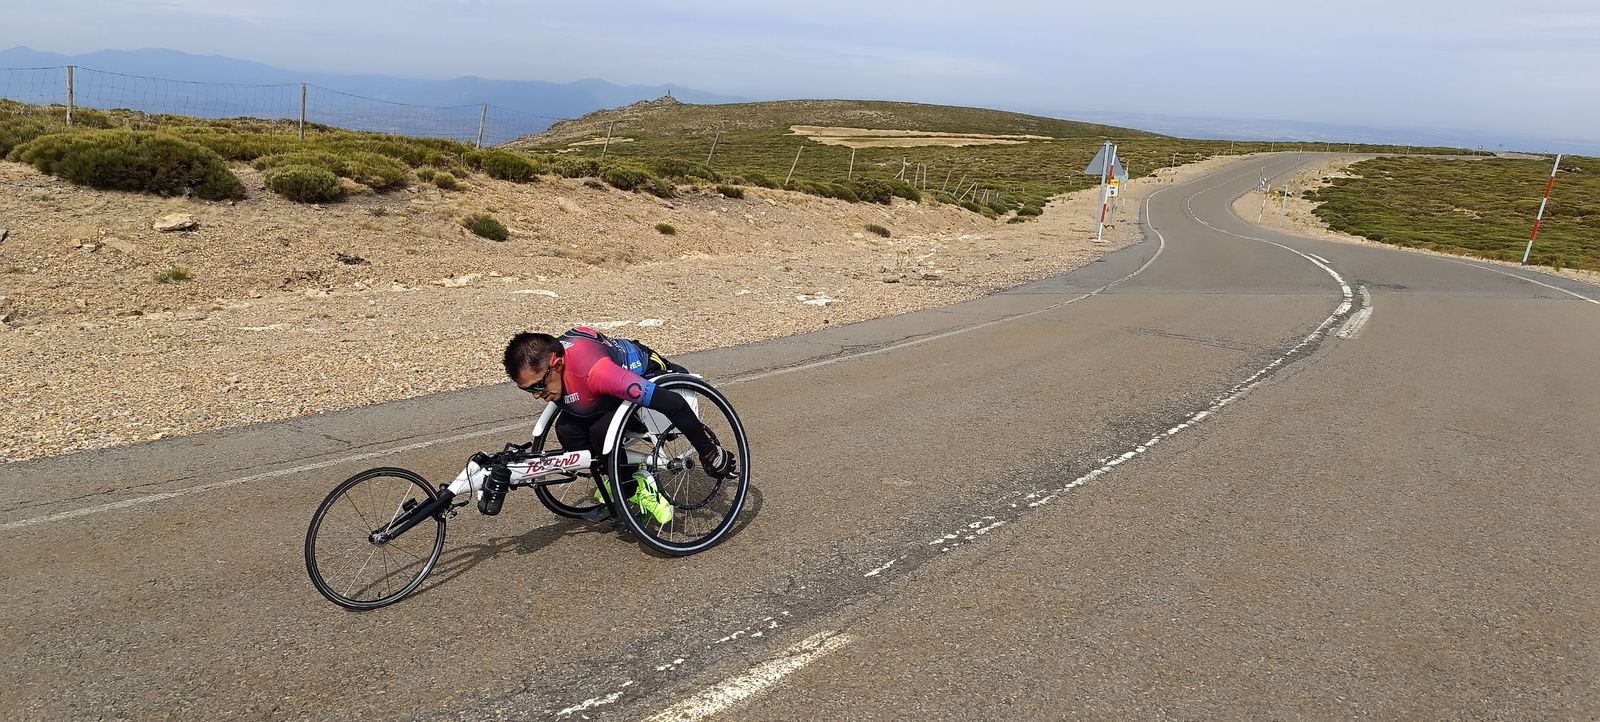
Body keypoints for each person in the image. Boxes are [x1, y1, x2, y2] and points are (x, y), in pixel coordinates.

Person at [496, 327, 737, 522]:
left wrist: (709, 452)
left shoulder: (597, 373)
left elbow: (674, 404)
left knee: (601, 433)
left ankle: (640, 484)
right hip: (600, 394)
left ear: (556, 364)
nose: (536, 395)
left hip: (640, 377)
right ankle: (623, 480)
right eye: (526, 390)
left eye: (538, 386)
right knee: (567, 431)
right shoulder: (553, 370)